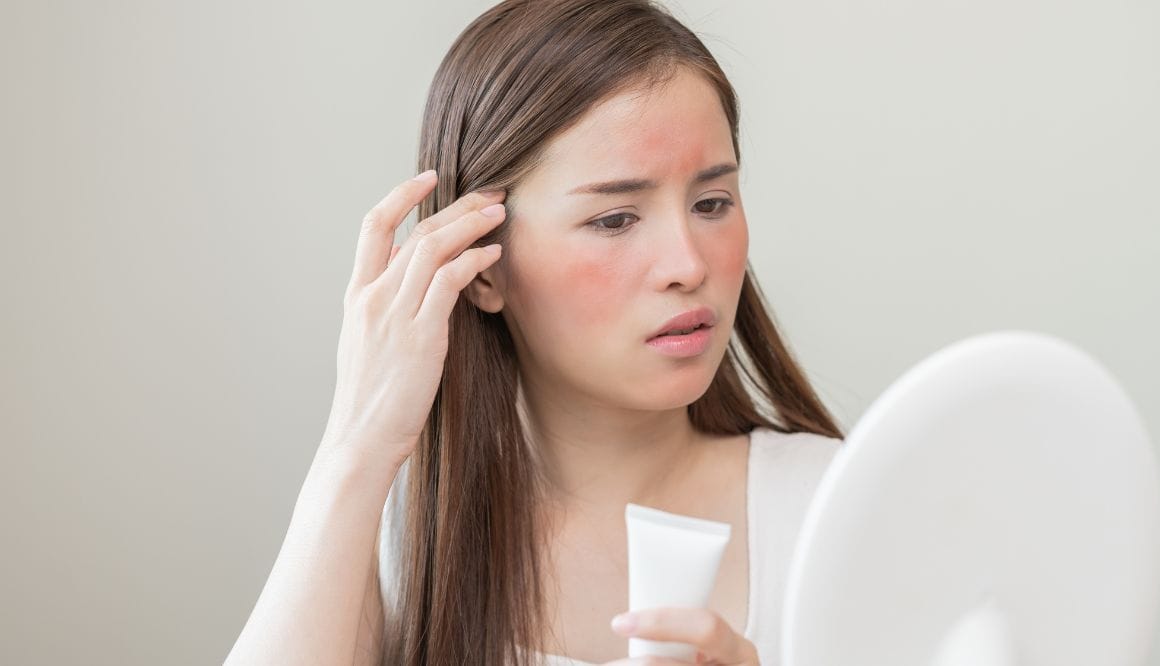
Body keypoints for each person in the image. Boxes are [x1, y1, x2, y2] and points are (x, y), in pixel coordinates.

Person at [225, 1, 845, 664]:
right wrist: (355, 446)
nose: (688, 265)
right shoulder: (393, 539)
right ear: (483, 266)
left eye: (712, 204)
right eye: (614, 220)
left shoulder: (836, 508)